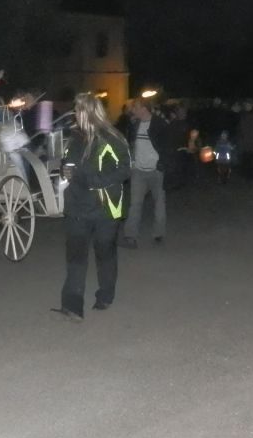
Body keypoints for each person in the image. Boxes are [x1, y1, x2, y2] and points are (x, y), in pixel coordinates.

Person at [52, 93, 132, 322]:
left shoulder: (111, 138)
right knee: (75, 258)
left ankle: (105, 296)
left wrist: (91, 180)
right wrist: (64, 170)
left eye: (78, 110)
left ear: (89, 112)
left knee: (105, 254)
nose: (75, 114)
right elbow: (68, 163)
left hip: (105, 208)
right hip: (77, 208)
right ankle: (72, 305)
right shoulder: (75, 138)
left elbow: (124, 169)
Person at [121, 98, 172, 248]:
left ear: (144, 108)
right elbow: (131, 144)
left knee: (159, 203)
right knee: (135, 204)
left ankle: (158, 233)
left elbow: (168, 145)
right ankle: (130, 236)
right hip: (138, 171)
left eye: (135, 107)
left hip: (156, 171)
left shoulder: (159, 124)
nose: (133, 110)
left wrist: (162, 163)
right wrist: (131, 162)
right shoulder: (135, 124)